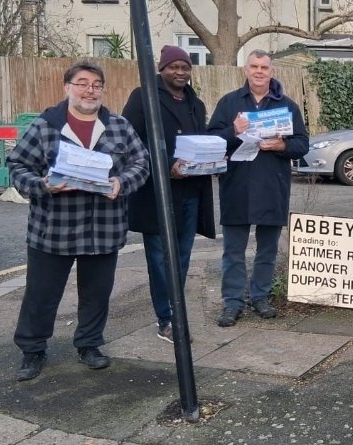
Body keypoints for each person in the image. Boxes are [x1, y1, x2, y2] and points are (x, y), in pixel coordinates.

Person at [7, 61, 149, 381]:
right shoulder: (46, 125)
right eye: (82, 83)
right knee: (41, 293)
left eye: (96, 84)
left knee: (97, 293)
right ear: (67, 87)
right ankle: (32, 350)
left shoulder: (118, 126)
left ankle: (89, 344)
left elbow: (142, 162)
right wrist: (43, 185)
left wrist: (121, 183)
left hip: (103, 227)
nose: (90, 90)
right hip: (52, 229)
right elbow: (17, 167)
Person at [208, 49, 309, 327]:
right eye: (254, 66)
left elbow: (303, 144)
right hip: (236, 187)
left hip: (271, 187)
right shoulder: (229, 103)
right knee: (233, 251)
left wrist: (283, 146)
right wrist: (233, 131)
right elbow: (212, 141)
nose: (259, 71)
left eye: (264, 67)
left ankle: (260, 297)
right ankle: (232, 303)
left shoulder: (287, 106)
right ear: (245, 70)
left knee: (267, 249)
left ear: (271, 71)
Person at [122, 45, 216, 343]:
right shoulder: (143, 97)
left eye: (185, 67)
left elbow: (199, 143)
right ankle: (165, 319)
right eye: (174, 66)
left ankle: (176, 311)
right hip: (156, 193)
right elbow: (128, 142)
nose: (180, 72)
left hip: (190, 192)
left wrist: (211, 160)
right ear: (162, 69)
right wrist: (166, 167)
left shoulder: (195, 104)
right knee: (161, 258)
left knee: (183, 257)